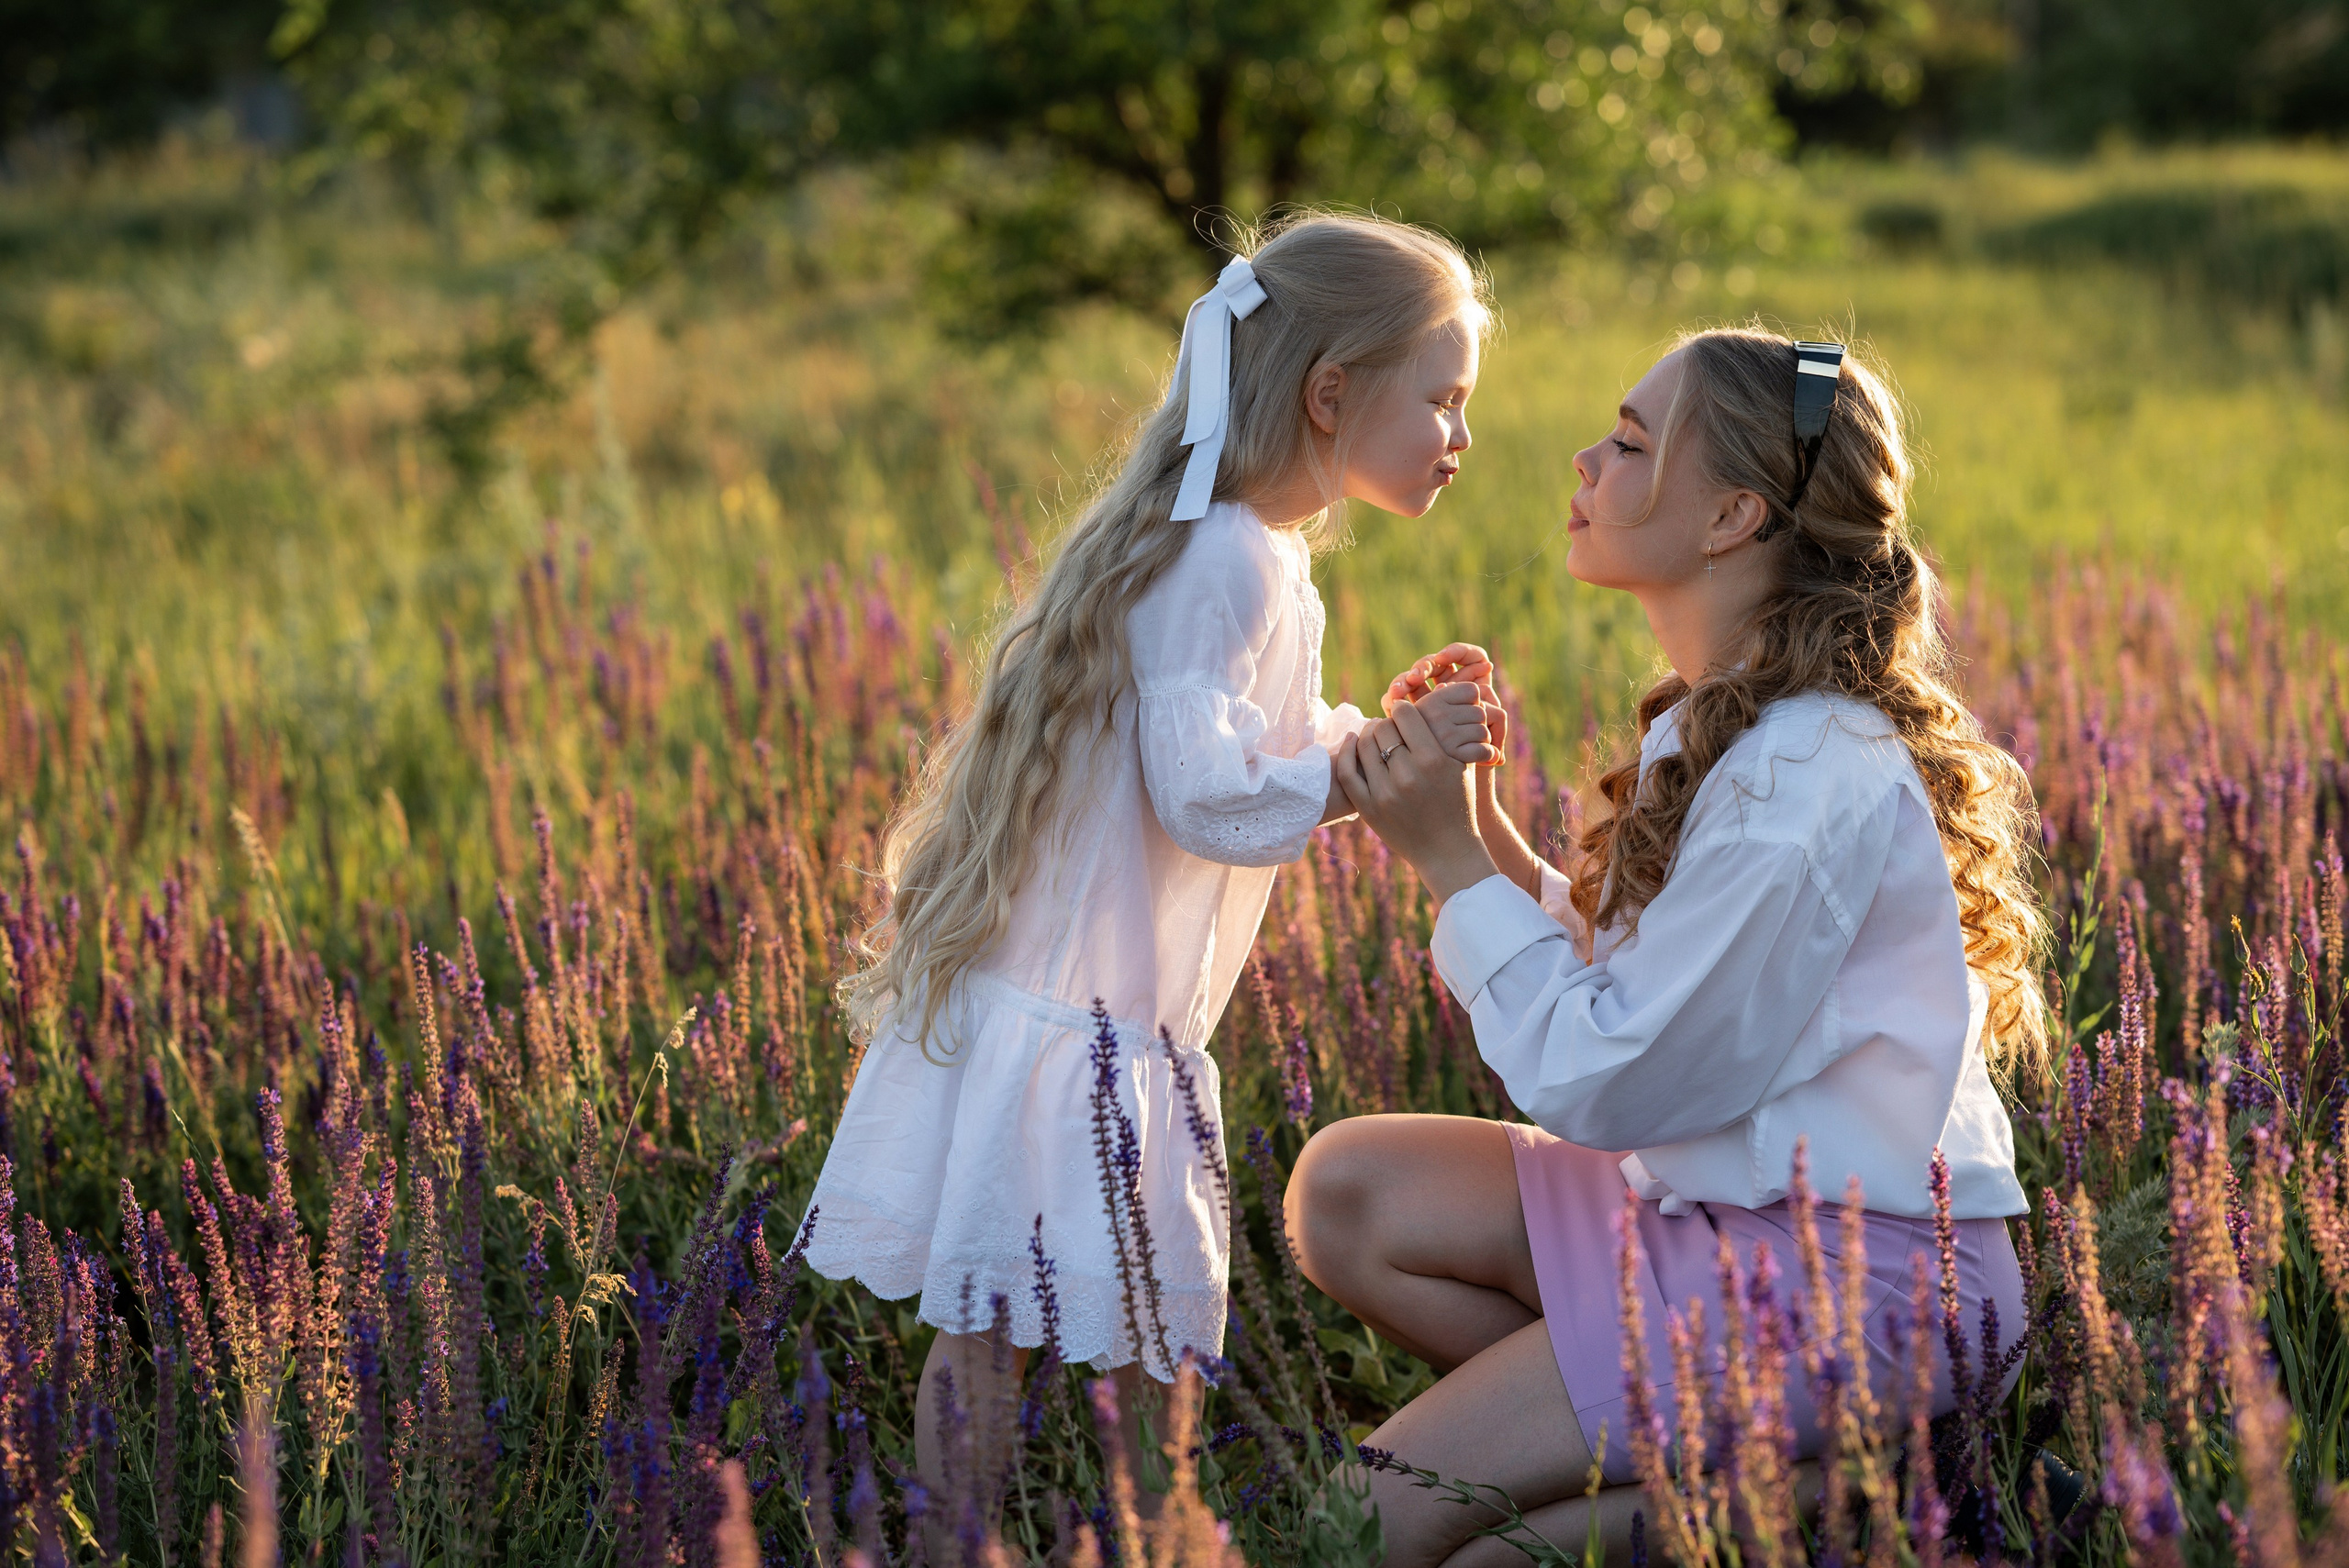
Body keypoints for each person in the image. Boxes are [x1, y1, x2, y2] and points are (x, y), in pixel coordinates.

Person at [1296, 327, 2047, 1565]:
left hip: (1853, 1282)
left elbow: (1614, 1075)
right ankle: (1711, 1452)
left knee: (1359, 1532)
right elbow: (1645, 986)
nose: (1584, 462)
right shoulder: (1730, 728)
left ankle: (1835, 1493)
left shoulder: (1799, 777)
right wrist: (1479, 826)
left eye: (1633, 442)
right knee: (1348, 1193)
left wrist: (1443, 862)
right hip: (1719, 1213)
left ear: (1730, 516)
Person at [806, 212, 1505, 1520]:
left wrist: (1377, 736)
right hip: (1090, 1022)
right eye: (1446, 401)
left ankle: (1079, 1537)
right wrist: (1361, 773)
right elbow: (1210, 798)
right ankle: (1093, 1541)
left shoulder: (1256, 549)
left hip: (1102, 1019)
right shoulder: (1227, 555)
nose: (1462, 438)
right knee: (1087, 1341)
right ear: (1333, 394)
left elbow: (1258, 754)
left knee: (1045, 1330)